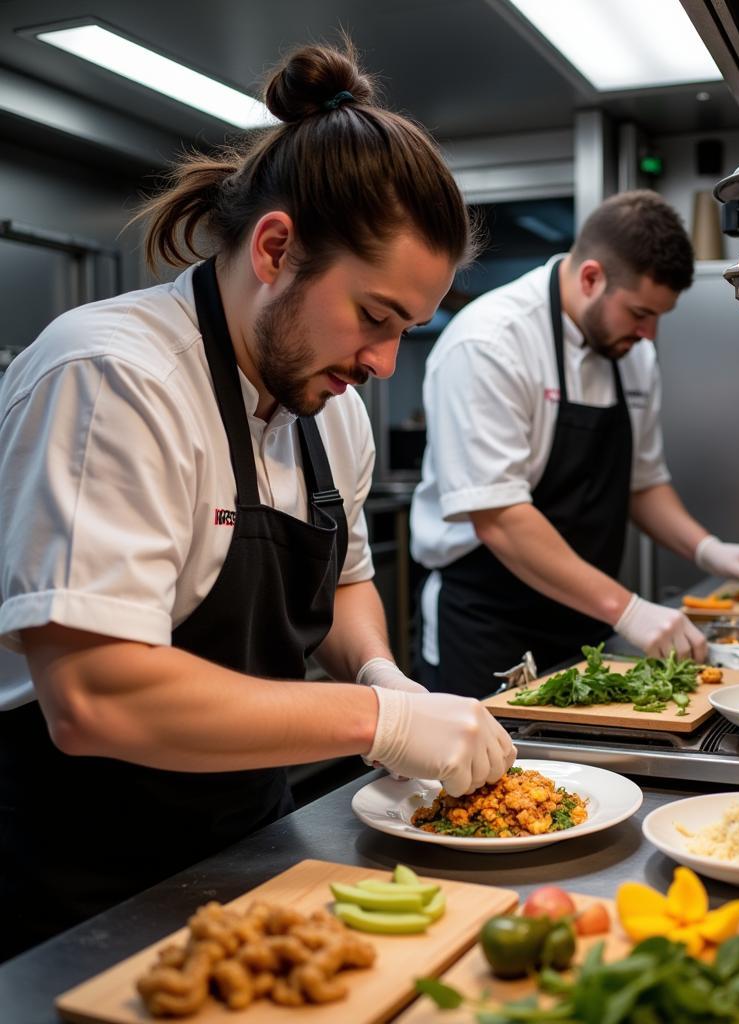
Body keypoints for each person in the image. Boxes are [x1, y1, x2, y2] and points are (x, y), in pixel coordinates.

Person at [0, 40, 515, 961]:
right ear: (276, 249)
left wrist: (379, 672)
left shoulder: (330, 408)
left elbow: (347, 575)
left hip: (248, 847)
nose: (384, 363)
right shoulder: (115, 378)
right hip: (76, 879)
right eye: (375, 316)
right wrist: (382, 722)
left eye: (408, 330)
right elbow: (93, 695)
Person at [410, 190, 739, 698]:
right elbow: (499, 518)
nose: (649, 334)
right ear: (590, 278)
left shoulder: (632, 354)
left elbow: (644, 483)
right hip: (488, 625)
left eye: (659, 317)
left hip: (585, 620)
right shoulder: (490, 343)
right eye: (639, 313)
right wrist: (630, 610)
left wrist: (709, 550)